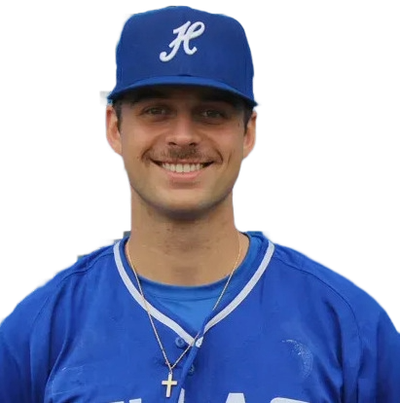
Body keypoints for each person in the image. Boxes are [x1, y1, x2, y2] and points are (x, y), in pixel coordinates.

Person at [1, 5, 399, 403]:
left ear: (249, 132)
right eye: (156, 110)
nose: (183, 136)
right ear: (115, 128)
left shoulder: (350, 324)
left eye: (211, 112)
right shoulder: (37, 328)